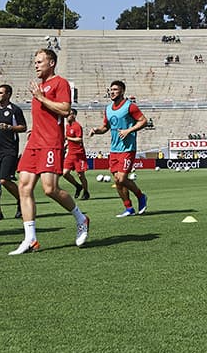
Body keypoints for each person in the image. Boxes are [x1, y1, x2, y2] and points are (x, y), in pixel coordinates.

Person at [8, 49, 89, 254]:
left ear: (51, 63)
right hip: (35, 142)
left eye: (40, 61)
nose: (36, 65)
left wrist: (41, 97)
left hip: (51, 143)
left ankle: (81, 218)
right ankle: (30, 239)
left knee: (49, 189)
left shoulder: (60, 83)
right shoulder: (40, 86)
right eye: (35, 62)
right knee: (23, 187)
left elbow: (64, 109)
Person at [89, 80, 148, 217]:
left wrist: (129, 130)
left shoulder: (130, 106)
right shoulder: (108, 109)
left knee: (121, 179)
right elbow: (105, 127)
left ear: (122, 91)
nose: (112, 92)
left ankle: (140, 196)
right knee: (117, 181)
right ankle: (129, 208)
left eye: (115, 89)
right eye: (110, 90)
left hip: (127, 148)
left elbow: (143, 121)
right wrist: (96, 130)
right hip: (114, 149)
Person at [0, 84, 26, 221]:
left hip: (10, 150)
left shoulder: (15, 110)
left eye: (1, 93)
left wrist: (10, 127)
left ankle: (21, 201)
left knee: (4, 180)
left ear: (8, 94)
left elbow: (23, 127)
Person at [61, 108, 90, 200]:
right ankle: (78, 186)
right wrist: (66, 145)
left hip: (79, 154)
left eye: (71, 114)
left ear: (74, 115)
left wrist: (68, 138)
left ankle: (86, 192)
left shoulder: (77, 126)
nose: (68, 115)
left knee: (81, 175)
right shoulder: (67, 126)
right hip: (70, 153)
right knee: (65, 173)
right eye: (68, 114)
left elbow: (79, 139)